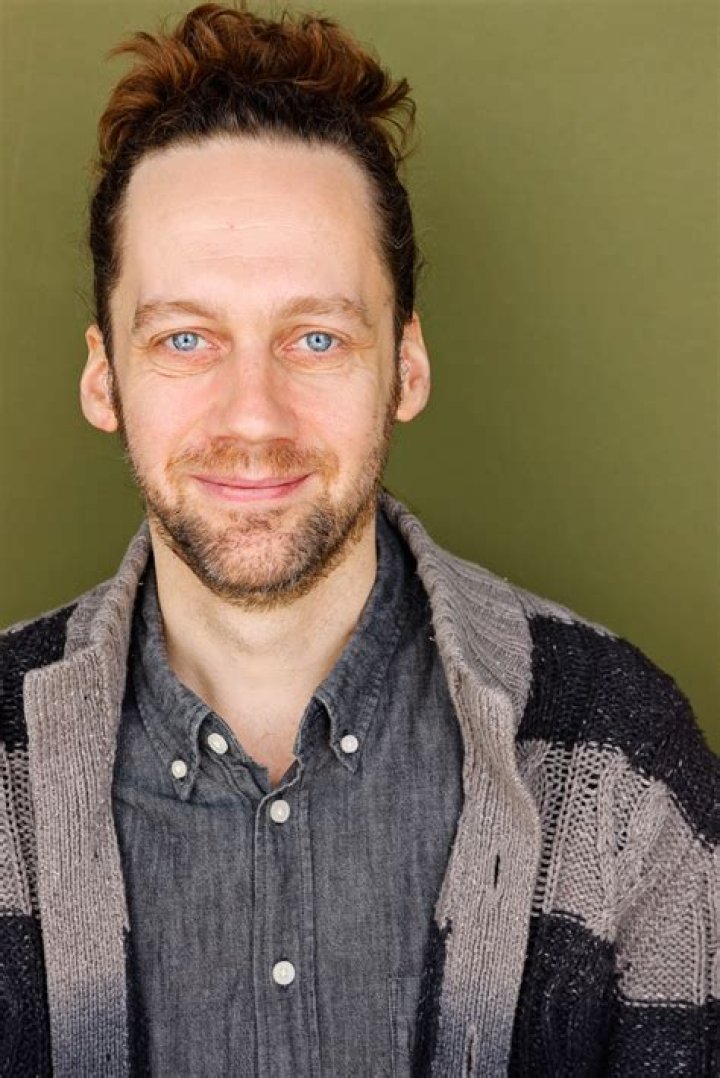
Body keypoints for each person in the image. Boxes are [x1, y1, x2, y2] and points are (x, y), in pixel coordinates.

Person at [1, 4, 717, 1075]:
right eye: (186, 338)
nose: (254, 418)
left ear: (406, 367)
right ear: (105, 377)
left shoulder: (618, 760)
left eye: (317, 337)